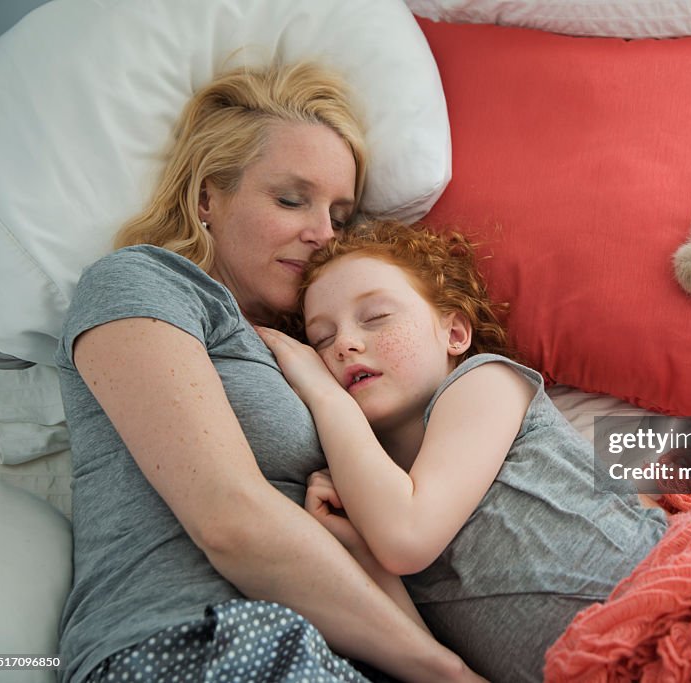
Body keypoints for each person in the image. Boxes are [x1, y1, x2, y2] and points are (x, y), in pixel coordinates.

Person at [56, 61, 481, 683]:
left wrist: (674, 449)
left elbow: (502, 436)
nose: (322, 235)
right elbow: (230, 520)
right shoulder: (141, 283)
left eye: (341, 215)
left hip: (352, 656)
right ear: (207, 197)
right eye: (290, 200)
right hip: (195, 640)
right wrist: (446, 673)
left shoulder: (336, 352)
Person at [256, 220, 670, 682]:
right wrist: (364, 554)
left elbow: (406, 538)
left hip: (677, 612)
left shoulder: (485, 383)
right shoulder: (376, 501)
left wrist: (322, 391)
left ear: (454, 335)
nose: (345, 345)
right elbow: (431, 661)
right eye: (321, 341)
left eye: (375, 317)